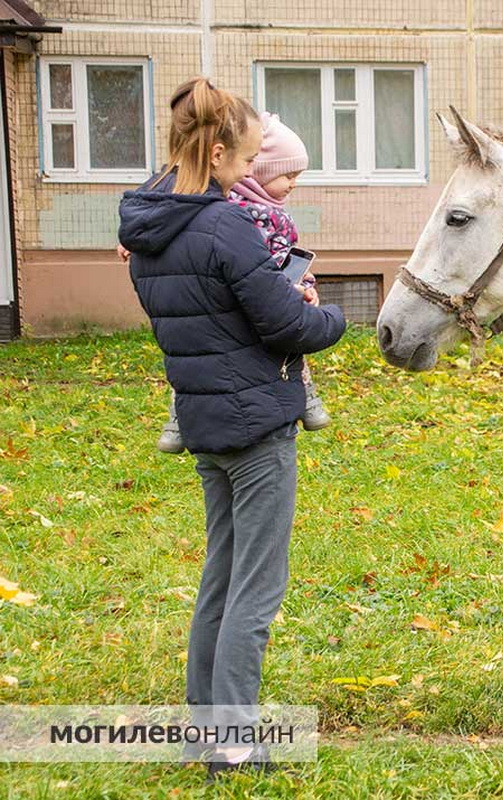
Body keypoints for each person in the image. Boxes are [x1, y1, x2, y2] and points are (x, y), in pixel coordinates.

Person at [118, 77, 345, 777]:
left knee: (219, 583)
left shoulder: (148, 225)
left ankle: (204, 731)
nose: (251, 173)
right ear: (216, 152)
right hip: (256, 428)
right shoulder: (224, 226)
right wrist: (326, 312)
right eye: (246, 160)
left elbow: (213, 319)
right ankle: (237, 747)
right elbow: (286, 325)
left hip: (204, 421)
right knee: (255, 590)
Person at [153, 111, 331, 454]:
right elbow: (253, 262)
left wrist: (298, 276)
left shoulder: (264, 209)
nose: (293, 183)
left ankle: (306, 397)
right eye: (287, 175)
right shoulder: (234, 211)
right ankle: (178, 416)